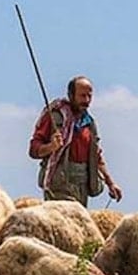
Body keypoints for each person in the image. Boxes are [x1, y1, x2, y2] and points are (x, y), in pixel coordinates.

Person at [29, 75, 122, 206]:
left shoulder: (89, 123)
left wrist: (111, 183)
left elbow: (96, 156)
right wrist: (51, 147)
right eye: (82, 96)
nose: (87, 100)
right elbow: (33, 149)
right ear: (71, 95)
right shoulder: (55, 117)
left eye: (89, 96)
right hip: (59, 185)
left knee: (79, 218)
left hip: (82, 186)